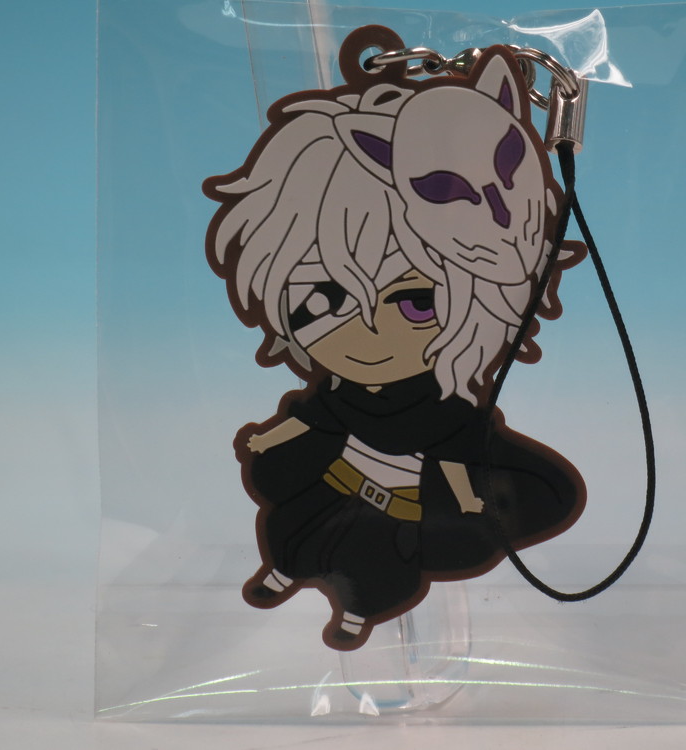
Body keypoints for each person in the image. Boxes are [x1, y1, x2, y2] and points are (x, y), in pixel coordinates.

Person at [204, 42, 586, 650]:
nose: (366, 332)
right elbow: (312, 418)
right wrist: (266, 441)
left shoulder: (448, 408)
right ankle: (282, 573)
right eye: (319, 303)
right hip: (334, 481)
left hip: (403, 506)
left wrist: (471, 501)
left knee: (380, 567)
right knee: (296, 530)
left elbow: (462, 455)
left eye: (417, 303)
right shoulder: (339, 395)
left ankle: (356, 615)